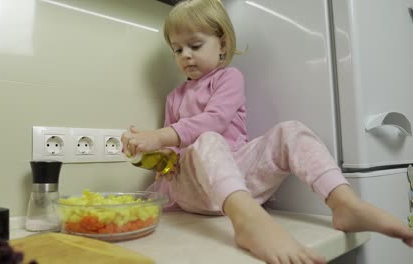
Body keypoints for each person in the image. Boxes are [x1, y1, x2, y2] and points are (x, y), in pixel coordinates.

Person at [121, 0, 413, 263]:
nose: (185, 55)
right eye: (177, 49)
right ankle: (247, 221)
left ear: (222, 44)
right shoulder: (174, 96)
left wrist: (158, 135)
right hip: (195, 190)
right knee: (206, 142)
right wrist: (154, 153)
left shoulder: (228, 78)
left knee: (291, 129)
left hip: (240, 179)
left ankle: (344, 203)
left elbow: (215, 120)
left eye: (195, 46)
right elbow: (174, 153)